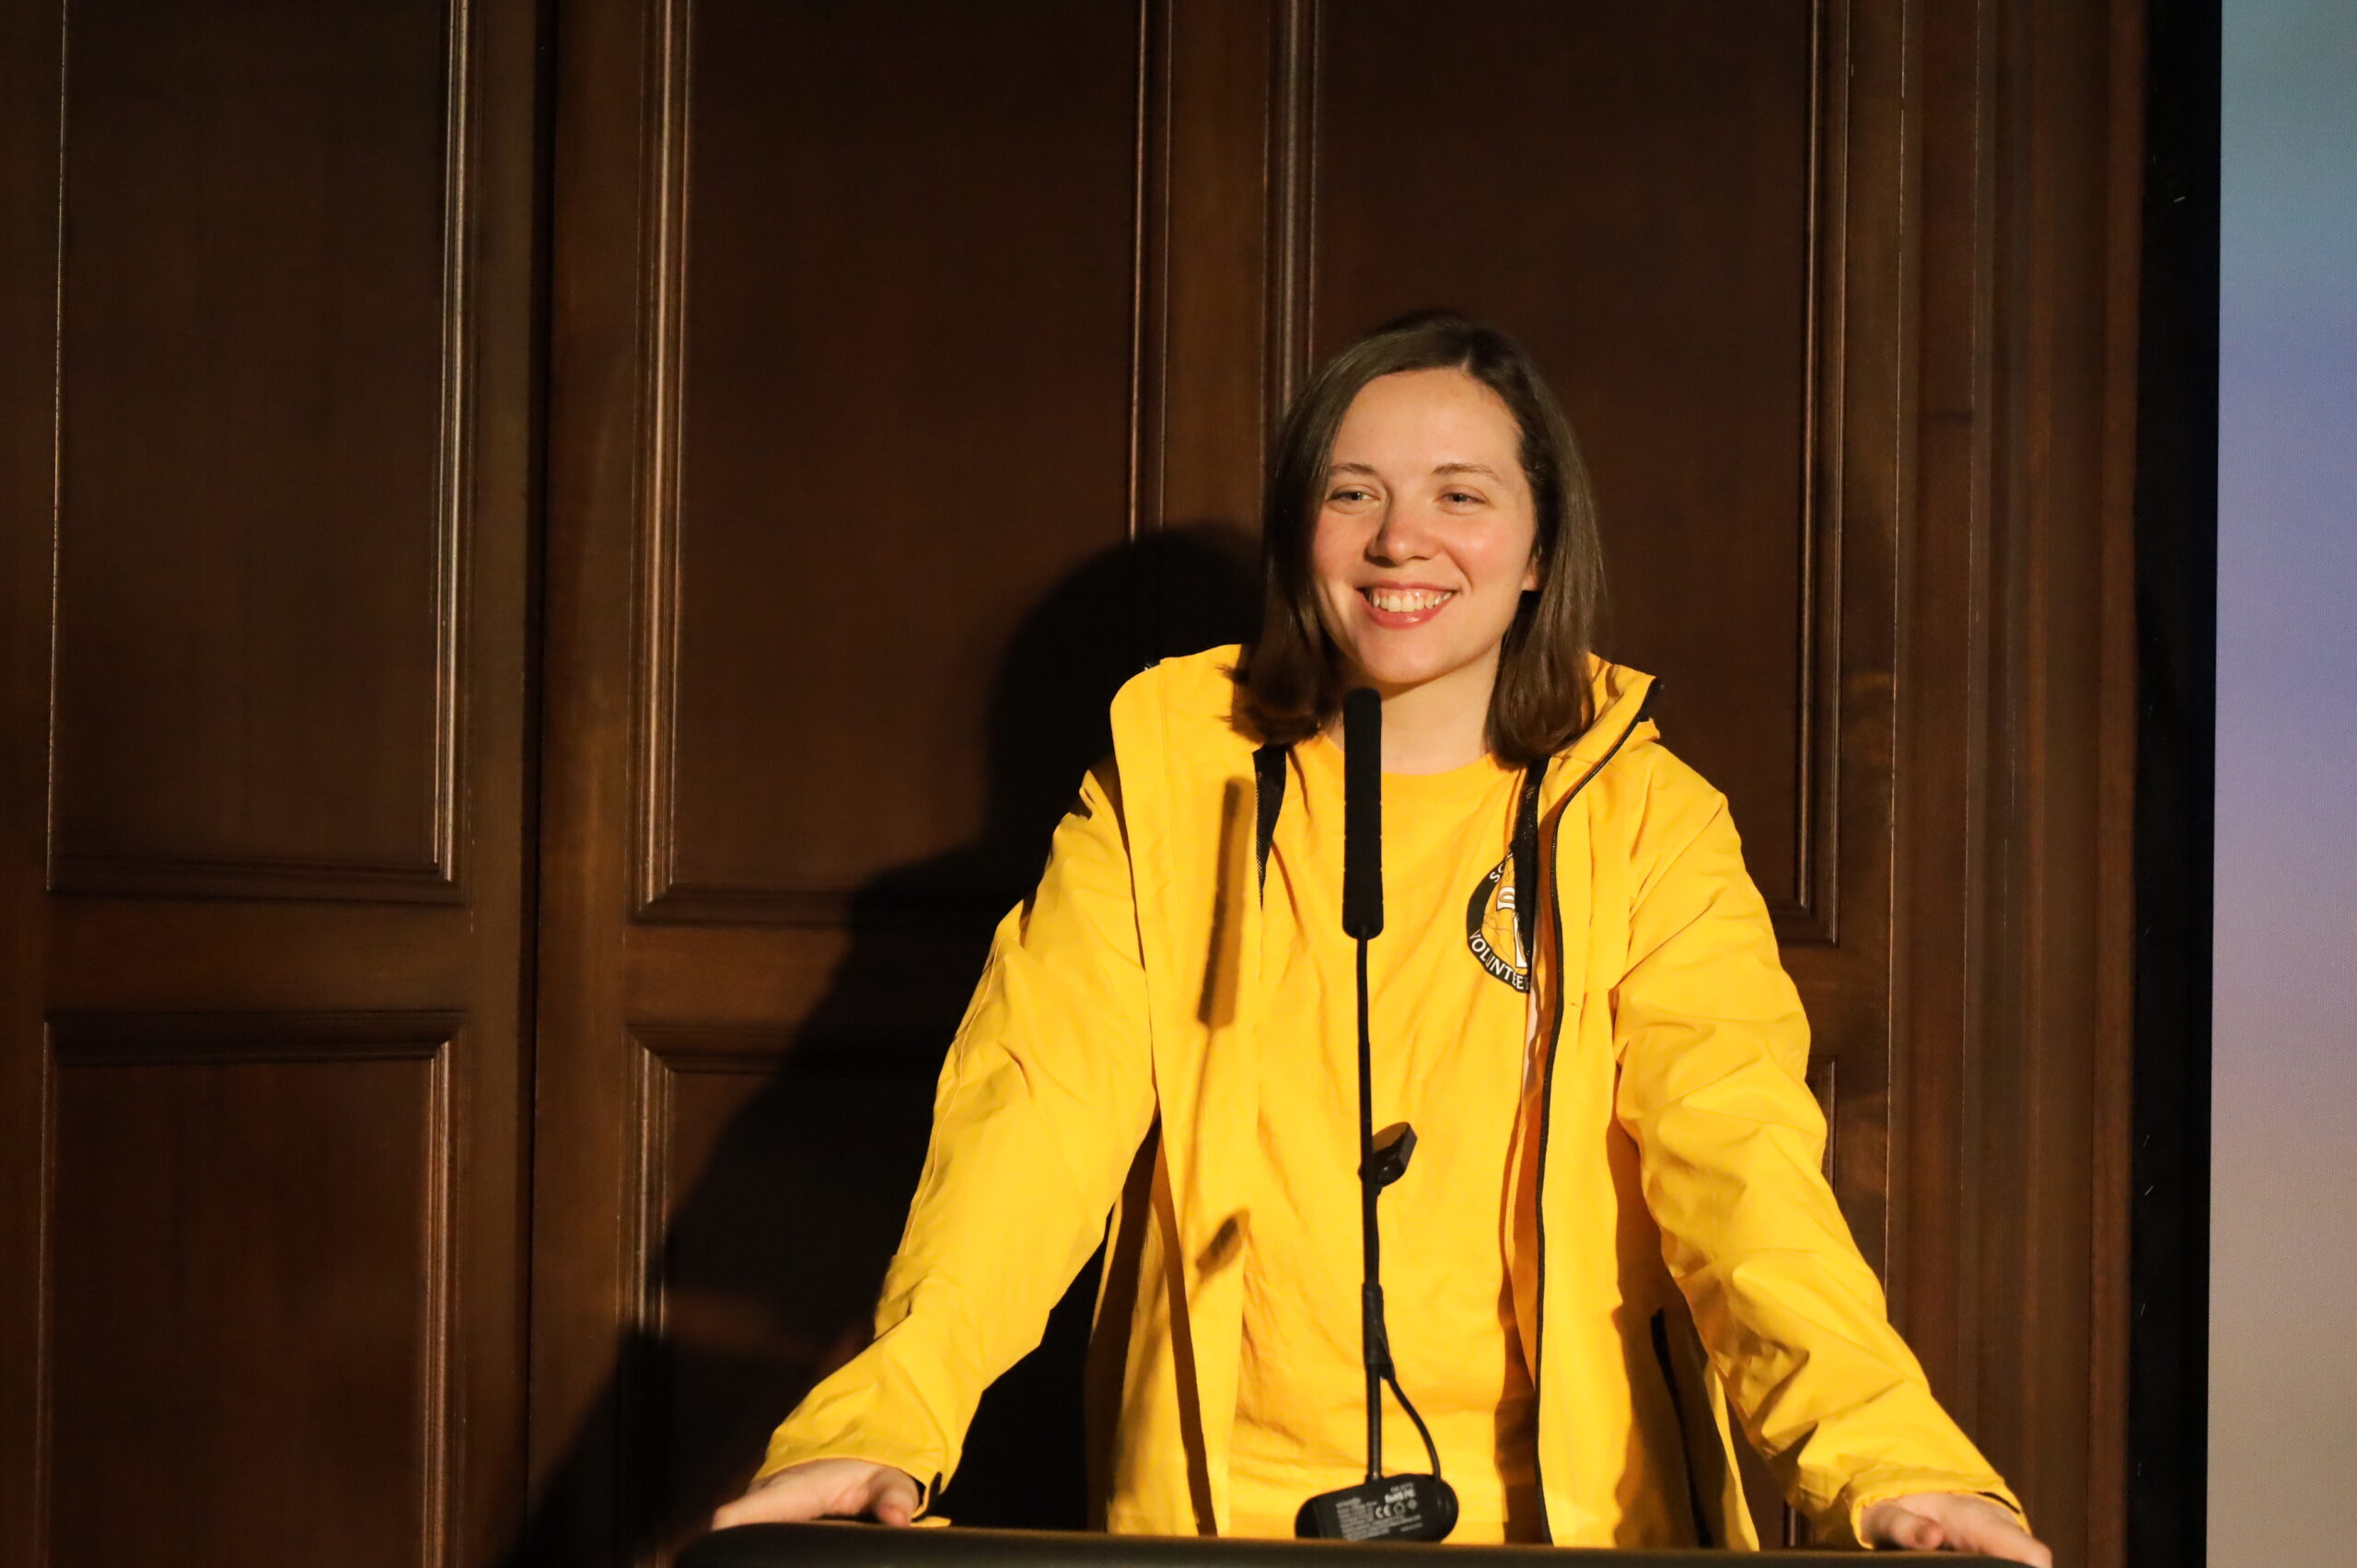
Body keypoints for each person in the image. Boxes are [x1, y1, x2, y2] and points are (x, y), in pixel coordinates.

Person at [713, 312, 2052, 1562]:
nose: (1402, 540)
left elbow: (1741, 1169)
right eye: (1353, 493)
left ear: (1540, 550)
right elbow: (1031, 1126)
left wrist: (1888, 1460)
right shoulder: (1168, 784)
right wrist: (880, 1422)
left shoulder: (1647, 819)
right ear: (1301, 532)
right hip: (1217, 1518)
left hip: (1570, 1525)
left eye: (1461, 496)